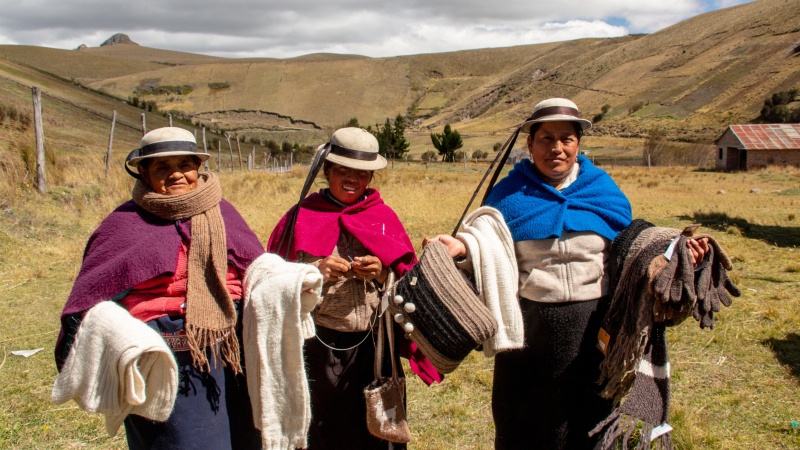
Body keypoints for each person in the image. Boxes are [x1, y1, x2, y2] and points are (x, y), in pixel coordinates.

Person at [425, 98, 709, 449]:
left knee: (586, 424)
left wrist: (676, 253)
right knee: (525, 425)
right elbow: (486, 239)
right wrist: (462, 248)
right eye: (546, 138)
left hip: (592, 331)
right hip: (527, 334)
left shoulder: (602, 191)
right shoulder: (509, 195)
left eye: (566, 139)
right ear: (530, 143)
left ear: (578, 144)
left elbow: (632, 245)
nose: (556, 148)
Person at [54, 127, 265, 449]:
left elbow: (256, 268)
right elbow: (90, 295)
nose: (177, 174)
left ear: (199, 167)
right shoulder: (124, 224)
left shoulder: (225, 214)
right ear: (144, 173)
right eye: (162, 167)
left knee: (243, 436)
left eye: (184, 164)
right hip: (162, 358)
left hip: (233, 352)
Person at [268, 127, 435, 449]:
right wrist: (314, 270)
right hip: (318, 343)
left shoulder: (383, 217)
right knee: (324, 424)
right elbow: (271, 276)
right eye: (342, 170)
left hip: (375, 343)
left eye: (361, 173)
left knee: (377, 425)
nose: (352, 179)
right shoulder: (301, 216)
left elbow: (408, 281)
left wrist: (382, 272)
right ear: (327, 171)